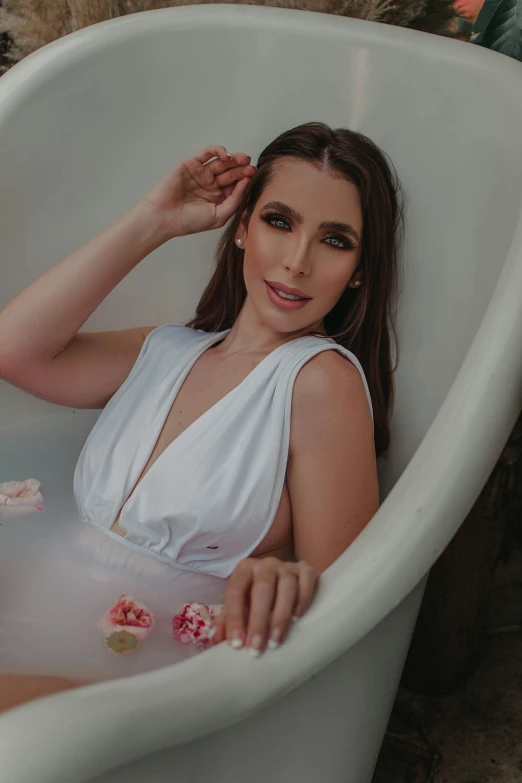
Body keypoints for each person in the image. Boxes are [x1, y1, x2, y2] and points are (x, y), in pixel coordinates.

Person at [0, 121, 404, 712]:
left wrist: (283, 579)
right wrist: (154, 220)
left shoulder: (319, 383)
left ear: (361, 270)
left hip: (135, 678)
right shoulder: (165, 350)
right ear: (241, 227)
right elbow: (14, 350)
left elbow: (345, 606)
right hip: (33, 624)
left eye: (336, 240)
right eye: (279, 221)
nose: (297, 262)